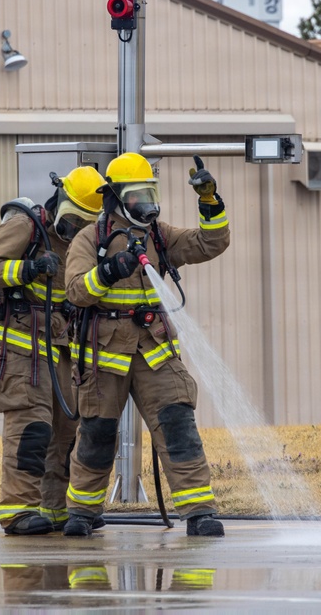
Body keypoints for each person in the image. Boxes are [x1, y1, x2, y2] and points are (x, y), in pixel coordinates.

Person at [62, 152, 230, 537]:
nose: (146, 205)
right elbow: (75, 290)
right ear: (117, 196)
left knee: (178, 426)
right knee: (97, 434)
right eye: (138, 196)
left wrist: (210, 202)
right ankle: (82, 514)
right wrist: (106, 271)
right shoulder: (92, 239)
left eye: (150, 195)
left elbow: (210, 243)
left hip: (154, 350)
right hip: (104, 355)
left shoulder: (158, 235)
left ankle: (199, 511)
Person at [0, 166, 106, 535]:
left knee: (66, 431)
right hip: (24, 351)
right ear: (60, 200)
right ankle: (17, 512)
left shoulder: (84, 244)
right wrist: (29, 268)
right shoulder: (27, 227)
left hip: (64, 348)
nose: (76, 228)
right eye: (74, 218)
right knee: (31, 430)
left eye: (85, 222)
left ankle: (55, 510)